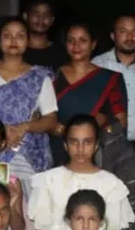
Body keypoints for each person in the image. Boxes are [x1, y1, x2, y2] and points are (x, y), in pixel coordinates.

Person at [0, 18, 58, 205]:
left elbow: (51, 119)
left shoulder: (39, 77)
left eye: (20, 36)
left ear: (28, 41)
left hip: (30, 157)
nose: (13, 40)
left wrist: (24, 127)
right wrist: (0, 129)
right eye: (7, 36)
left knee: (28, 210)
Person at [30, 115, 134, 230]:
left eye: (87, 142)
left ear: (96, 145)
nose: (80, 149)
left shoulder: (111, 184)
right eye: (74, 142)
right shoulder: (48, 181)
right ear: (65, 145)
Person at [51, 22, 128, 167]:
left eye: (83, 40)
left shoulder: (110, 79)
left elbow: (121, 121)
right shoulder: (53, 76)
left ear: (93, 44)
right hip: (58, 150)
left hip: (95, 152)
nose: (76, 45)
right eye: (71, 40)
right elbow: (41, 114)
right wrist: (53, 127)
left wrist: (98, 125)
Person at [92, 15, 135, 159]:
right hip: (106, 143)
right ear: (113, 36)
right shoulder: (97, 65)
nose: (130, 36)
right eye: (123, 31)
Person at [21, 0, 67, 69]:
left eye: (46, 14)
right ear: (25, 16)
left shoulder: (61, 54)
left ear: (52, 20)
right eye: (36, 14)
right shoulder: (16, 50)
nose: (41, 18)